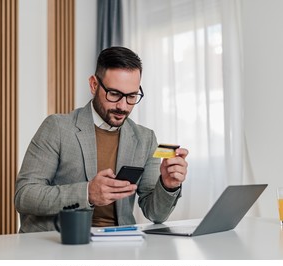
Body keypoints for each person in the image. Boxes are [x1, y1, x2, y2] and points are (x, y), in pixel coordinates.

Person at [15, 46, 189, 233]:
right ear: (93, 85)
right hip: (61, 242)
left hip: (118, 245)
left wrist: (168, 186)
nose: (122, 106)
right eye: (114, 94)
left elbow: (155, 214)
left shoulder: (145, 139)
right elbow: (25, 196)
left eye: (131, 96)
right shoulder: (57, 127)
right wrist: (87, 193)